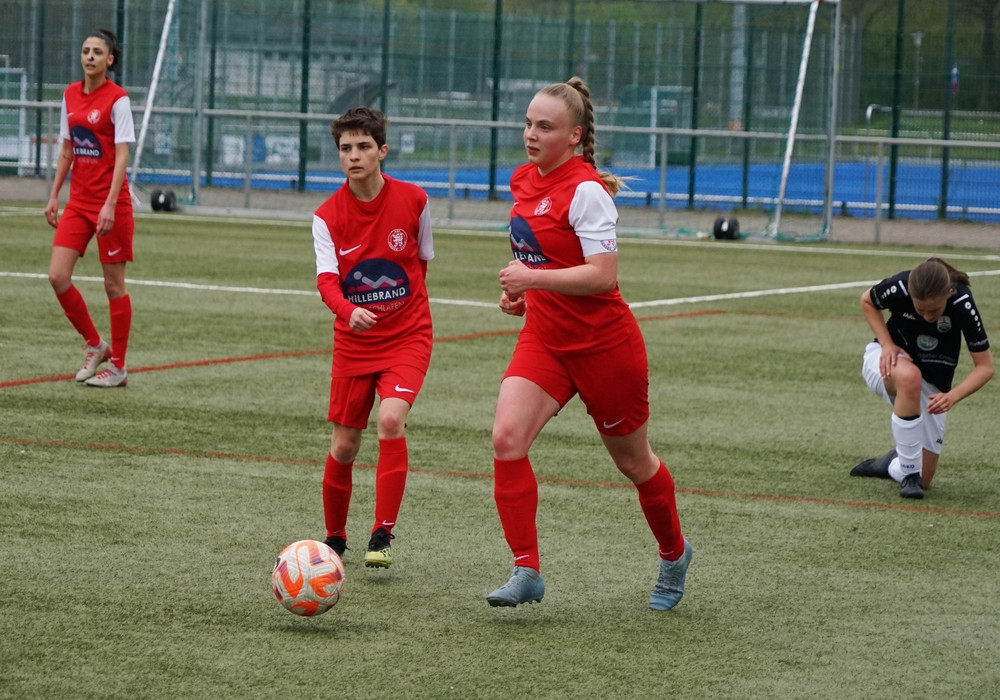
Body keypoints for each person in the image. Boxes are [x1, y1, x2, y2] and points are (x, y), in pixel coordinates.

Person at [486, 78, 692, 611]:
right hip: (546, 339)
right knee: (507, 438)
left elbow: (602, 276)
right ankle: (526, 569)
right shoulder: (522, 179)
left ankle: (674, 554)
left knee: (635, 464)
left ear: (574, 136)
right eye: (528, 123)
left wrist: (532, 280)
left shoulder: (587, 191)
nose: (531, 134)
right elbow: (540, 256)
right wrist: (523, 295)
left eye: (545, 126)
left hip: (605, 347)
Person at [311, 106, 434, 569]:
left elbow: (421, 262)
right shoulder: (326, 216)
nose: (354, 155)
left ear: (382, 151)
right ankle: (335, 539)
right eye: (346, 148)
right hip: (353, 342)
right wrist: (349, 311)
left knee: (390, 419)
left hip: (408, 336)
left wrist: (400, 314)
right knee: (344, 445)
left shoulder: (415, 200)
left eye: (363, 146)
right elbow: (327, 281)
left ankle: (382, 533)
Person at [851, 257, 993, 498]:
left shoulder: (962, 303)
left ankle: (891, 462)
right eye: (920, 309)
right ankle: (909, 476)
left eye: (934, 310)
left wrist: (952, 397)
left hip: (932, 384)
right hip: (887, 363)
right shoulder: (901, 286)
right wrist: (887, 344)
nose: (927, 316)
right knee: (910, 377)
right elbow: (867, 300)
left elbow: (985, 367)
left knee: (925, 478)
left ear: (949, 293)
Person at [44, 28, 135, 388]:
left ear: (110, 60)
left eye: (98, 52)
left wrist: (110, 204)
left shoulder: (118, 100)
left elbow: (122, 156)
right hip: (79, 203)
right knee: (57, 276)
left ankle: (119, 368)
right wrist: (54, 196)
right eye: (86, 51)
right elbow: (67, 150)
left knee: (113, 285)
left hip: (111, 204)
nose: (90, 57)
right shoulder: (69, 94)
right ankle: (96, 345)